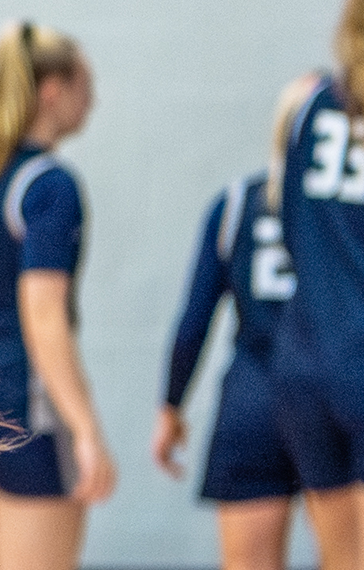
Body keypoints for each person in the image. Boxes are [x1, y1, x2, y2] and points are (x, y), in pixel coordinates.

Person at [0, 21, 113, 570]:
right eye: (86, 84)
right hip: (22, 409)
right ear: (53, 88)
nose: (94, 99)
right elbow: (44, 318)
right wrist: (86, 432)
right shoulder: (49, 184)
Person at [151, 118, 301, 570]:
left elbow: (194, 320)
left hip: (252, 400)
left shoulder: (237, 202)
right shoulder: (343, 210)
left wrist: (171, 405)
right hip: (333, 400)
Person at [270, 0, 364, 570]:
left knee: (339, 554)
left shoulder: (305, 103)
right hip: (356, 354)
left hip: (302, 362)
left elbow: (285, 217)